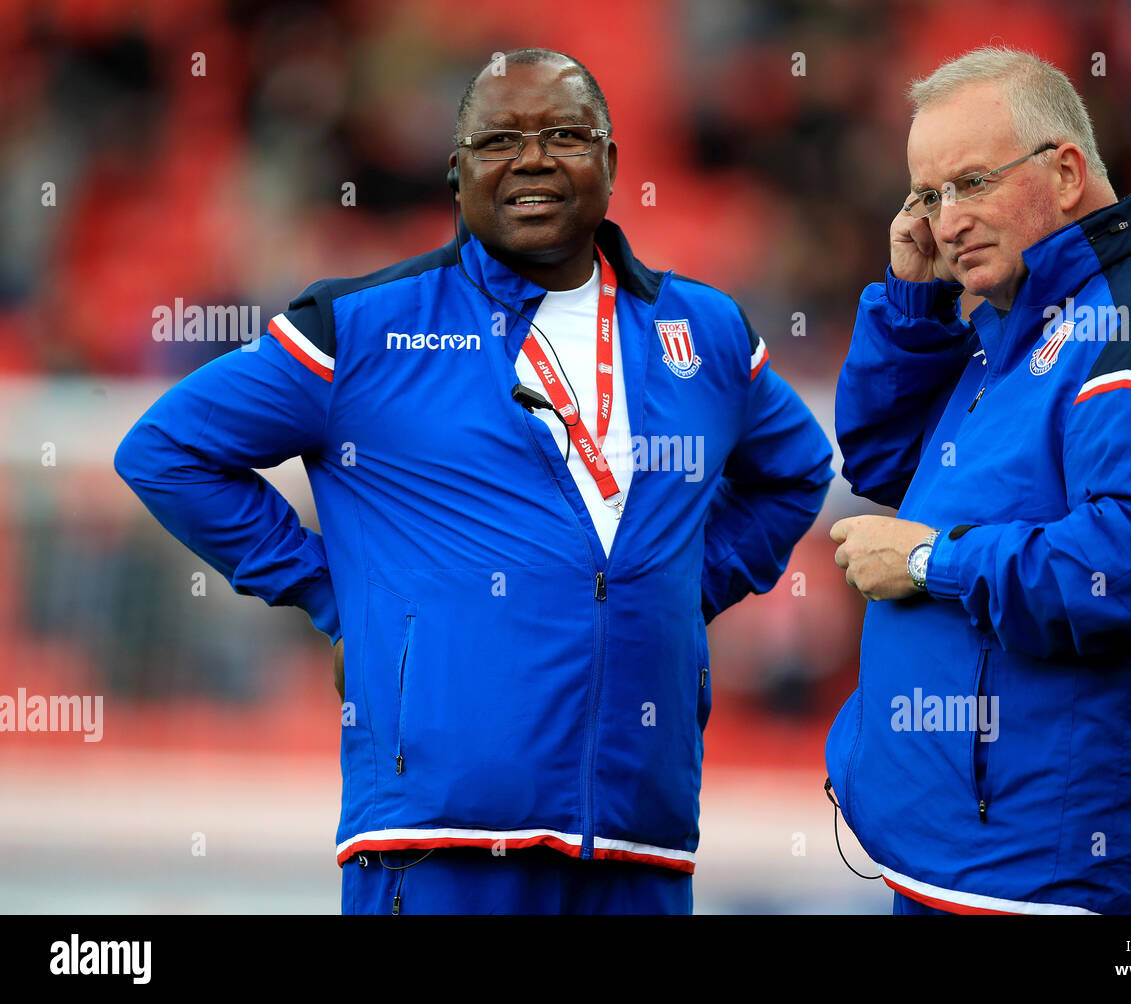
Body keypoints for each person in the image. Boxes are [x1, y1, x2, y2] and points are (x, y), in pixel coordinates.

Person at [115, 48, 833, 915]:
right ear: (456, 175)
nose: (533, 159)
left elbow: (796, 470)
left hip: (638, 835)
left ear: (611, 161)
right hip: (436, 841)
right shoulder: (366, 327)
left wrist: (682, 589)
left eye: (565, 134)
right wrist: (337, 597)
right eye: (500, 139)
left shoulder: (703, 329)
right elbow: (165, 451)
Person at [826, 47, 1131, 915]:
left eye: (971, 183)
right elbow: (890, 468)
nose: (945, 222)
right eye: (925, 196)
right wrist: (913, 307)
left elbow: (1128, 567)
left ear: (1065, 172)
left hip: (1050, 871)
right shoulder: (1025, 319)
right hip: (959, 856)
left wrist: (928, 565)